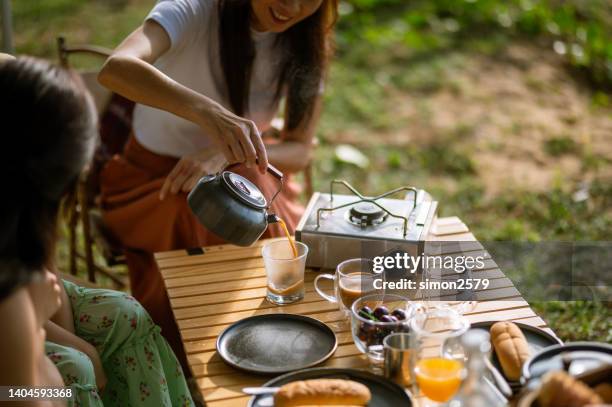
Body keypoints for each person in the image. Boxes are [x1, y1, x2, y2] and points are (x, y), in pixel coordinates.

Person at [97, 0, 338, 370]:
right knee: (197, 206)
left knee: (248, 192)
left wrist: (226, 153)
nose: (292, 5)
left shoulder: (305, 39)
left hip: (245, 178)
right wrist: (207, 113)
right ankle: (197, 355)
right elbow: (116, 69)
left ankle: (272, 342)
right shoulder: (194, 10)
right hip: (152, 183)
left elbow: (299, 149)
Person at [0, 56, 195, 407]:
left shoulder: (18, 210)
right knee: (76, 370)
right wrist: (37, 326)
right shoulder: (10, 300)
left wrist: (61, 325)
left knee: (126, 315)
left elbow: (41, 263)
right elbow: (21, 396)